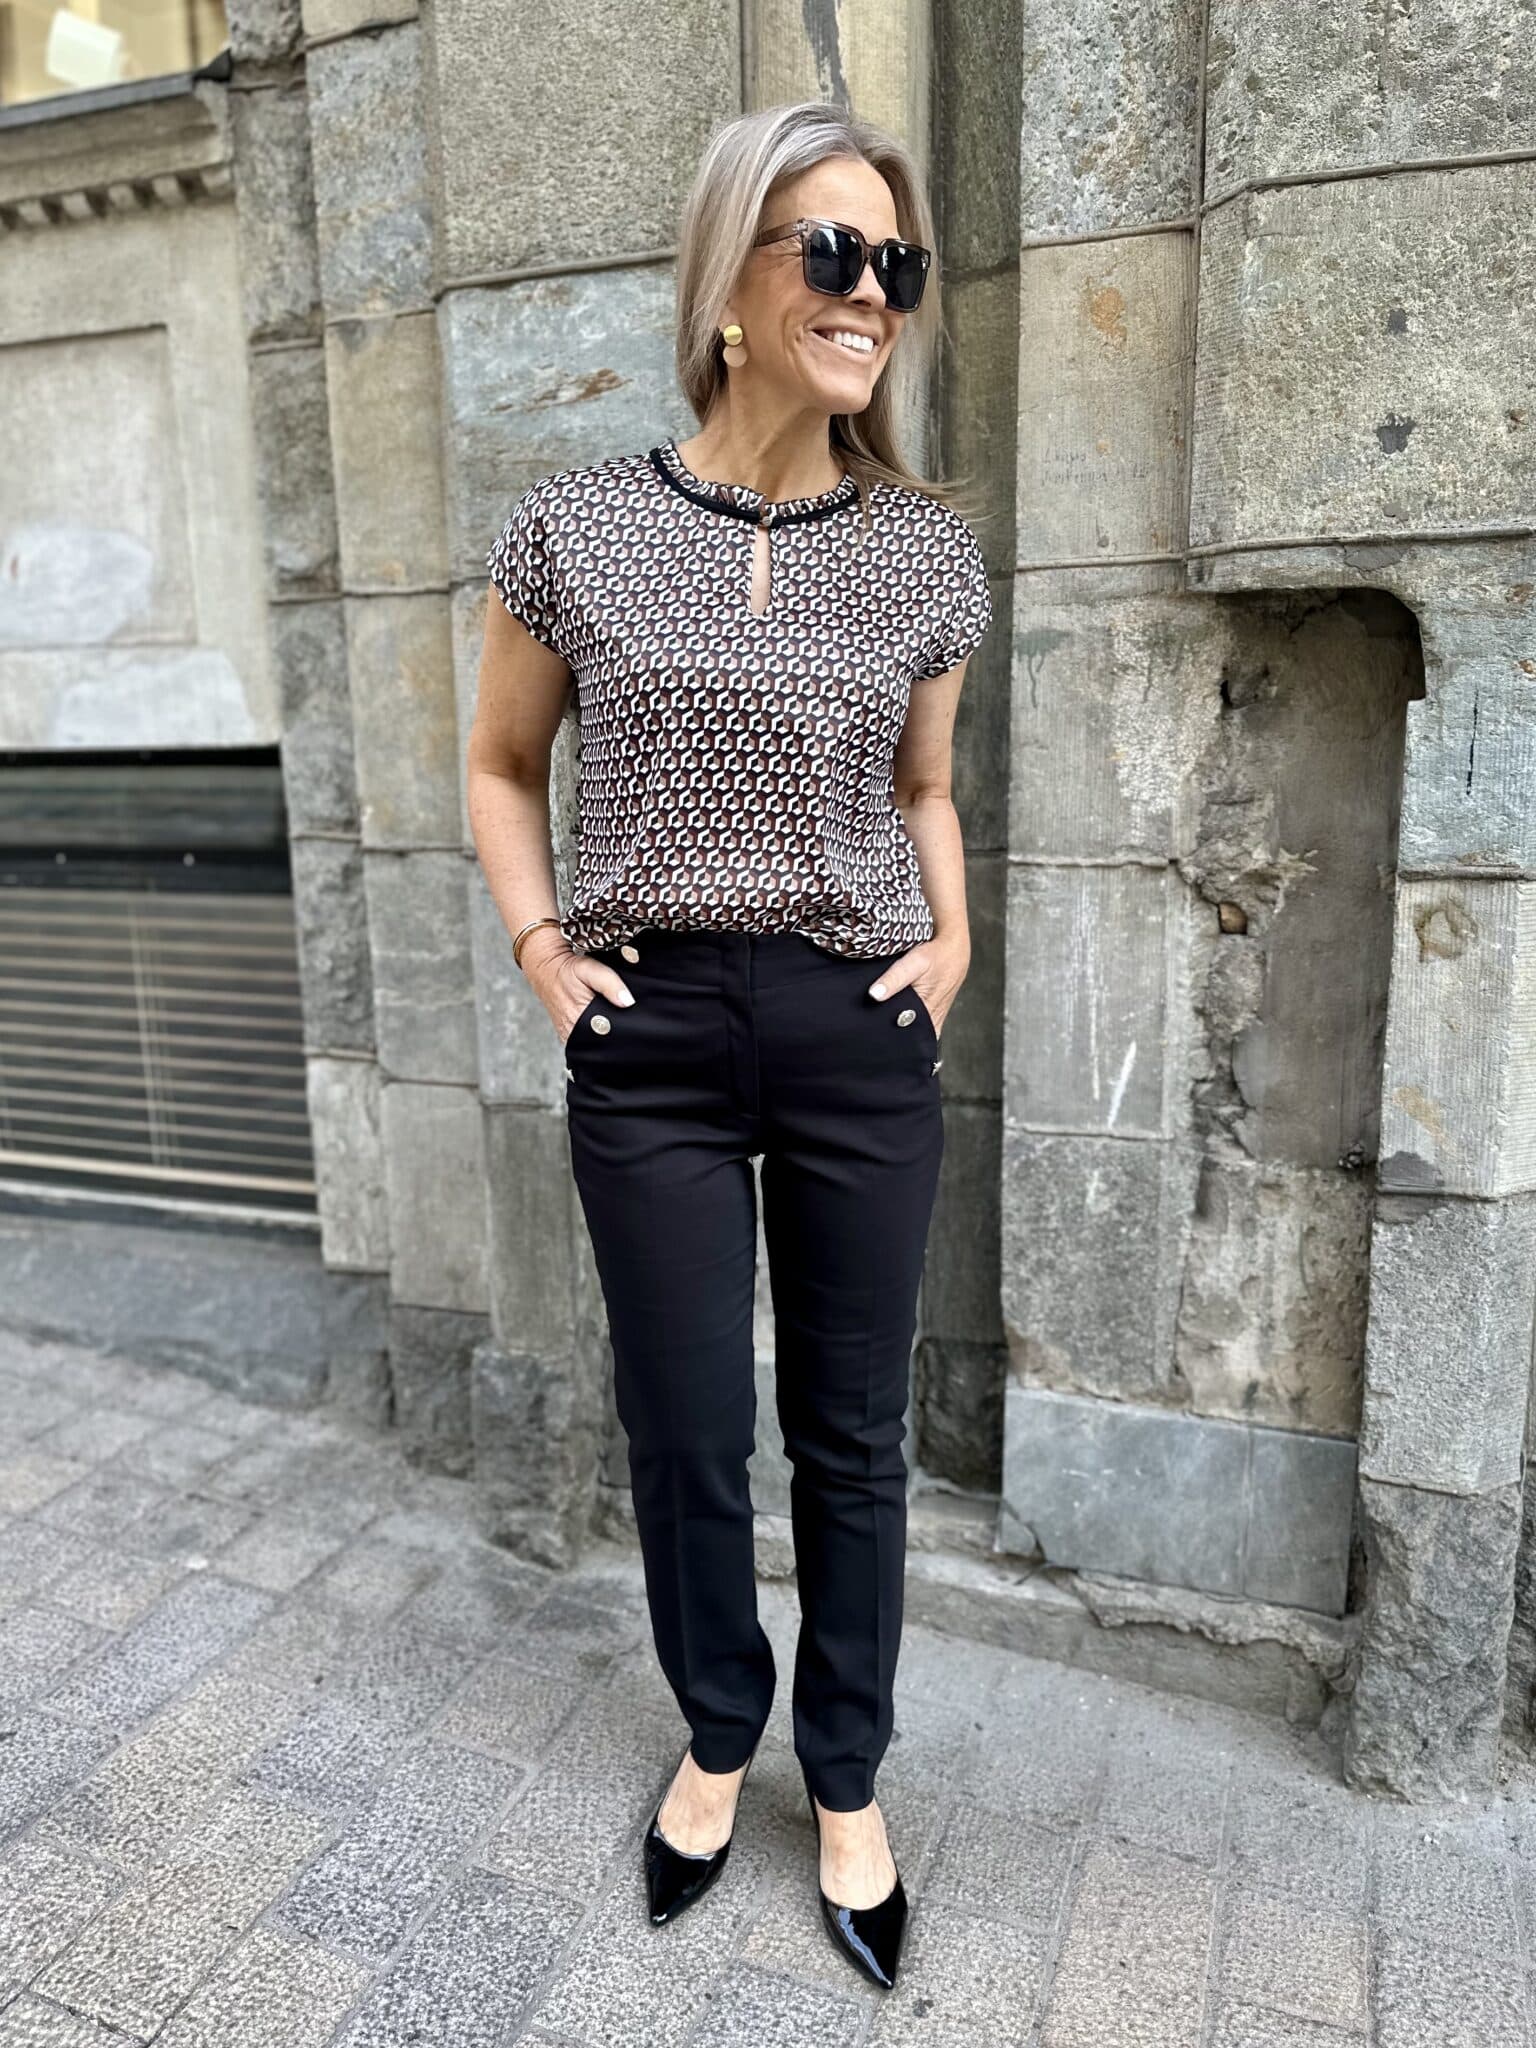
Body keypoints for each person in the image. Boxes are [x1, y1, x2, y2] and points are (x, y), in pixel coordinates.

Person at [467, 99, 992, 1992]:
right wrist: (542, 948)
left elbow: (923, 787)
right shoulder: (579, 531)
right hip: (655, 1032)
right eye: (834, 252)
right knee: (687, 1423)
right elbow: (500, 761)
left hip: (854, 1025)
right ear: (731, 283)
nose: (872, 294)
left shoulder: (927, 553)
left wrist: (953, 940)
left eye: (894, 263)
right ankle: (715, 1733)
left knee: (852, 1432)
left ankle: (844, 1778)